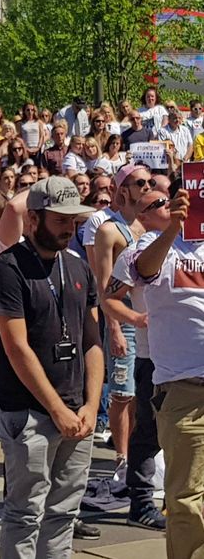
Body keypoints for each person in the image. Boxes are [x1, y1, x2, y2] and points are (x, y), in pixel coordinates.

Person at [0, 177, 103, 559]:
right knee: (25, 514)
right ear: (33, 219)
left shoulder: (77, 267)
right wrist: (57, 409)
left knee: (64, 512)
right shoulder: (9, 267)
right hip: (29, 412)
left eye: (74, 220)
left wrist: (90, 405)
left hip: (77, 410)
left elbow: (92, 341)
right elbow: (16, 347)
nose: (70, 228)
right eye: (60, 220)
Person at [131, 188, 204, 558]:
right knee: (187, 501)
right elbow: (143, 270)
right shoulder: (152, 244)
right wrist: (175, 227)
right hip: (186, 390)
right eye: (158, 204)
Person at [102, 190, 170, 531]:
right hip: (152, 357)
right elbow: (109, 299)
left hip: (192, 359)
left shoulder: (191, 248)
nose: (168, 205)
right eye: (159, 203)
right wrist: (136, 319)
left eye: (168, 199)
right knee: (150, 432)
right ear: (142, 213)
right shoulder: (135, 253)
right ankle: (141, 502)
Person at [94, 164, 152, 473]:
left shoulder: (152, 227)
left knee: (145, 391)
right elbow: (104, 285)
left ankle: (143, 456)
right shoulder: (109, 230)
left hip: (151, 318)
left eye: (149, 182)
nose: (145, 186)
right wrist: (114, 328)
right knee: (122, 392)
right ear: (123, 189)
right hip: (124, 319)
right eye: (139, 182)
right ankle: (122, 457)